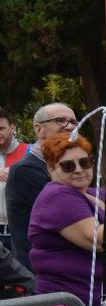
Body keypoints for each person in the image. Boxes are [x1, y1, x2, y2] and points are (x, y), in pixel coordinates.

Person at [27, 133, 106, 306]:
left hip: (98, 305)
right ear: (51, 169)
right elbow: (98, 240)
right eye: (68, 165)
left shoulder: (96, 193)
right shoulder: (57, 196)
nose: (78, 169)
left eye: (84, 162)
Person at [5, 102, 75, 270]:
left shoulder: (71, 168)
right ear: (38, 129)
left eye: (74, 122)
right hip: (41, 278)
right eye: (60, 120)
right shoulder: (26, 170)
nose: (70, 127)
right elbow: (73, 211)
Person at [0, 106, 28, 250]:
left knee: (24, 272)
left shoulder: (29, 152)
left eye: (1, 129)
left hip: (21, 230)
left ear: (13, 127)